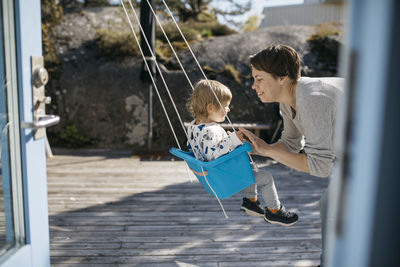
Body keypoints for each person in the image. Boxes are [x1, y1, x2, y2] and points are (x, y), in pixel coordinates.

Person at [239, 44, 344, 266]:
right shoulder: (290, 100)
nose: (253, 86)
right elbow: (291, 143)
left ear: (282, 77)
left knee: (337, 206)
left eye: (259, 79)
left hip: (383, 149)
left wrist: (267, 151)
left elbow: (321, 167)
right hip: (355, 153)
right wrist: (259, 146)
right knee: (332, 205)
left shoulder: (312, 98)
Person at [187, 79, 298, 226]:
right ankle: (275, 211)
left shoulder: (194, 127)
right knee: (266, 178)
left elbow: (200, 146)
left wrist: (225, 139)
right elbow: (213, 155)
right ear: (210, 108)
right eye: (225, 106)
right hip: (224, 177)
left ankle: (251, 202)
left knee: (247, 167)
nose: (228, 110)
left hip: (215, 174)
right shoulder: (211, 131)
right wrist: (231, 141)